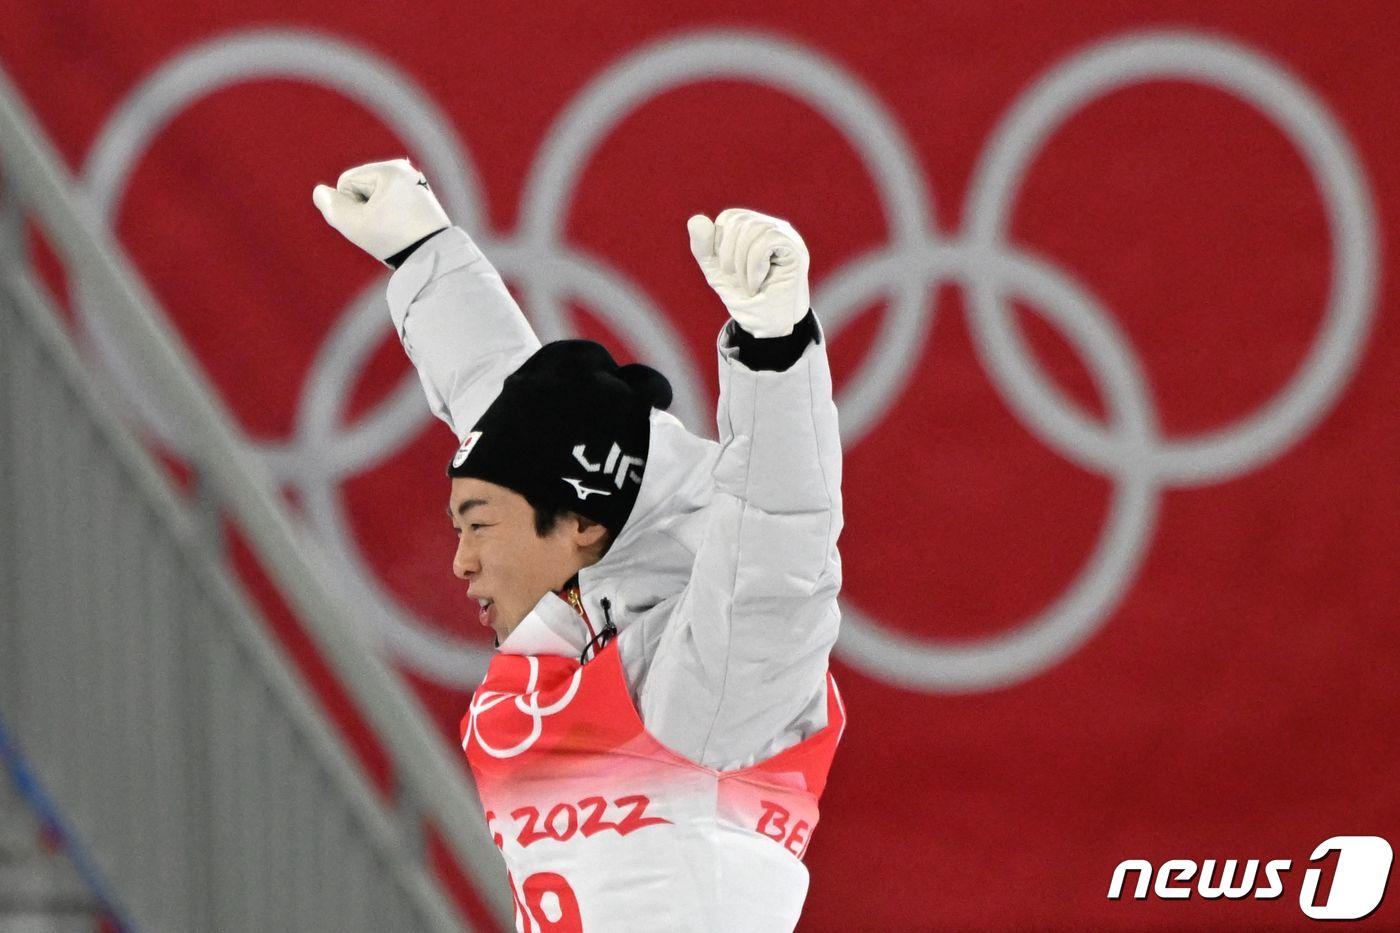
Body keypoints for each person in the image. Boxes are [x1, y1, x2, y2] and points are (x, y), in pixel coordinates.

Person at [314, 159, 845, 932]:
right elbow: (510, 412)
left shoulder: (712, 692)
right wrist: (423, 254)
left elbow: (778, 551)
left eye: (478, 525)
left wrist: (776, 349)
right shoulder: (587, 594)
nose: (460, 558)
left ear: (583, 524)